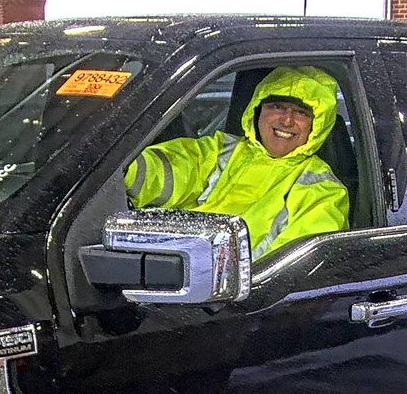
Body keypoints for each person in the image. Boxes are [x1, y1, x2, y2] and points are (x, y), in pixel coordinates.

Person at [124, 66, 350, 260]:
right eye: (277, 107)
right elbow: (158, 170)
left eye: (301, 112)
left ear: (317, 125)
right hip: (164, 270)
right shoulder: (218, 149)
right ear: (257, 110)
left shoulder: (324, 190)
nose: (287, 120)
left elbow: (294, 273)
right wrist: (118, 171)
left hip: (240, 302)